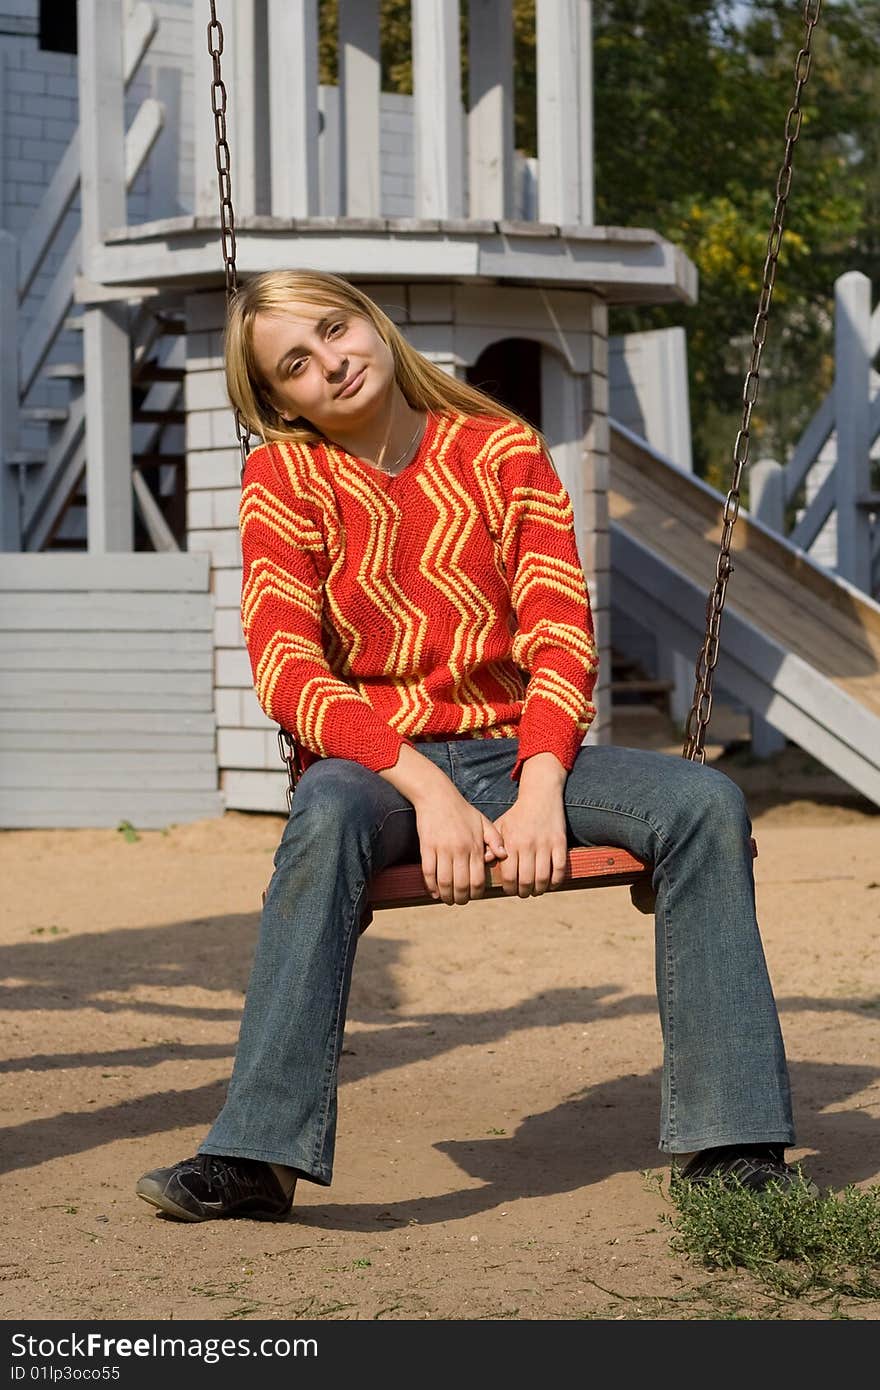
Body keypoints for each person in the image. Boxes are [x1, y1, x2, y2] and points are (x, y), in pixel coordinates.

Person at [136, 269, 810, 1223]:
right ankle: (255, 1157)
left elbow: (559, 636)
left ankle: (733, 1145)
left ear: (371, 322)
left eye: (335, 330)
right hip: (374, 767)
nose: (329, 362)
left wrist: (538, 789)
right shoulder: (281, 479)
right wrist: (425, 792)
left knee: (705, 803)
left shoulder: (500, 448)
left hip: (514, 747)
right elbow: (289, 670)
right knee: (324, 813)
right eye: (295, 363)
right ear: (277, 399)